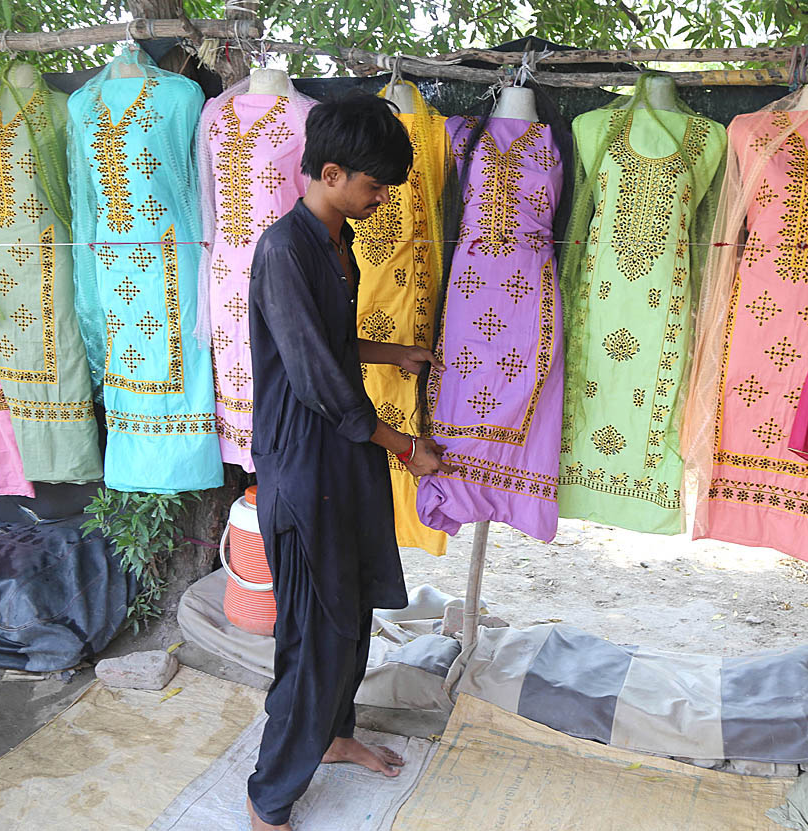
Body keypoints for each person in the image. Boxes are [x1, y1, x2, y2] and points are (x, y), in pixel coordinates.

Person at [244, 91, 453, 831]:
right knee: (314, 629)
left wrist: (392, 350)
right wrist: (403, 445)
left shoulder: (338, 244)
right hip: (305, 462)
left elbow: (331, 346)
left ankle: (332, 736)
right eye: (373, 185)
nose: (382, 196)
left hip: (341, 452)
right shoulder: (283, 249)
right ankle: (268, 793)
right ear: (331, 172)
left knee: (351, 611)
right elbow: (315, 379)